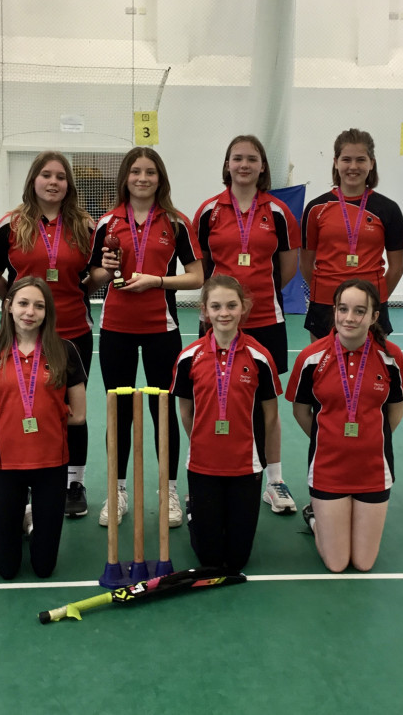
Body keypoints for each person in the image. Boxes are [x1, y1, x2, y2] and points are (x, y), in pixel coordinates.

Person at [88, 147, 204, 528]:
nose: (142, 178)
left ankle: (168, 489)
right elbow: (90, 281)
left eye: (150, 172)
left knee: (162, 411)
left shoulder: (176, 222)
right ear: (125, 177)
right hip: (115, 329)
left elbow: (196, 276)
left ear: (160, 178)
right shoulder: (107, 222)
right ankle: (116, 489)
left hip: (161, 330)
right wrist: (105, 271)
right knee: (118, 411)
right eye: (135, 171)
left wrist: (158, 281)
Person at [0, 151, 96, 519]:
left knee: (69, 410)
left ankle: (73, 481)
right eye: (46, 175)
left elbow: (92, 277)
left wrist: (89, 287)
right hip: (22, 336)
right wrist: (18, 306)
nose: (53, 182)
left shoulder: (85, 226)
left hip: (73, 333)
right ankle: (26, 477)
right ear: (33, 181)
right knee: (23, 405)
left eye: (61, 176)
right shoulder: (9, 225)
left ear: (68, 185)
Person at [192, 135, 299, 515]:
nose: (244, 165)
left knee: (264, 406)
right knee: (217, 401)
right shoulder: (208, 212)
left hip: (267, 319)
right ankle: (208, 474)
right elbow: (202, 266)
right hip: (220, 322)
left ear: (262, 166)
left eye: (251, 159)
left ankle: (273, 480)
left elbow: (288, 266)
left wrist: (255, 298)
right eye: (237, 158)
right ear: (227, 164)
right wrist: (222, 305)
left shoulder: (279, 212)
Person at [285, 279, 403, 572]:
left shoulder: (391, 357)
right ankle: (315, 517)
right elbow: (300, 410)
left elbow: (397, 406)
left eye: (359, 311)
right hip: (328, 468)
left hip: (373, 469)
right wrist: (326, 438)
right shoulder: (311, 358)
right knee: (337, 563)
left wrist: (374, 436)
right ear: (334, 311)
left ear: (374, 316)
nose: (349, 318)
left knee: (363, 562)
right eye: (343, 309)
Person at [0, 277, 87, 579]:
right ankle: (22, 519)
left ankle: (33, 519)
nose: (30, 311)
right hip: (6, 463)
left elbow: (78, 415)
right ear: (9, 306)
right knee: (6, 568)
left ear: (47, 312)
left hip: (51, 463)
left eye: (39, 306)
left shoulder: (65, 351)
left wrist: (51, 412)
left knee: (44, 568)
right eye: (23, 303)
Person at [171, 275, 282, 573]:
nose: (224, 313)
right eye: (216, 306)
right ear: (204, 310)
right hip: (203, 464)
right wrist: (202, 441)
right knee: (209, 559)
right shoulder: (188, 357)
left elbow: (270, 415)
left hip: (246, 466)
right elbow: (185, 410)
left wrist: (269, 468)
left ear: (243, 308)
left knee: (236, 561)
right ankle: (196, 511)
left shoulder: (260, 357)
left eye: (231, 305)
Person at [300, 128, 403, 341]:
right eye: (346, 159)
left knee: (370, 369)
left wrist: (376, 297)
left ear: (371, 163)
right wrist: (324, 291)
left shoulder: (388, 209)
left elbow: (397, 267)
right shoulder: (315, 208)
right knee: (324, 367)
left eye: (361, 160)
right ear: (336, 162)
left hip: (369, 303)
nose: (353, 167)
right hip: (325, 303)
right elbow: (305, 263)